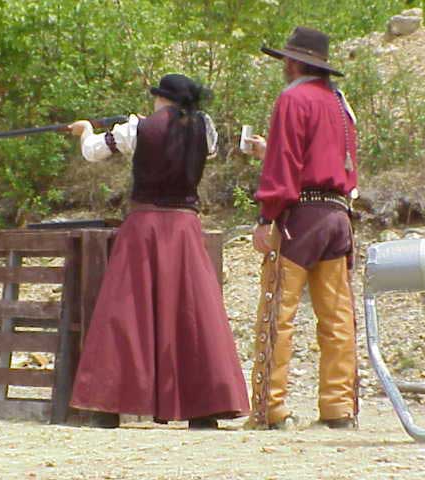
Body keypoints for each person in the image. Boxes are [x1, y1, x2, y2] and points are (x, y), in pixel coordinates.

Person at [68, 74, 249, 429]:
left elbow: (93, 153)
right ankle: (202, 410)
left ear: (161, 98)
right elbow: (205, 148)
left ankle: (109, 406)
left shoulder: (137, 129)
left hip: (145, 225)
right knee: (193, 313)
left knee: (126, 313)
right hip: (183, 225)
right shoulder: (204, 128)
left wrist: (86, 130)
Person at [244, 27, 359, 429]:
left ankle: (271, 409)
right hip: (338, 214)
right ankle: (338, 407)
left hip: (301, 218)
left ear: (293, 63)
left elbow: (285, 165)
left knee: (279, 311)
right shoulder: (340, 104)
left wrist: (266, 217)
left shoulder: (292, 100)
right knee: (337, 318)